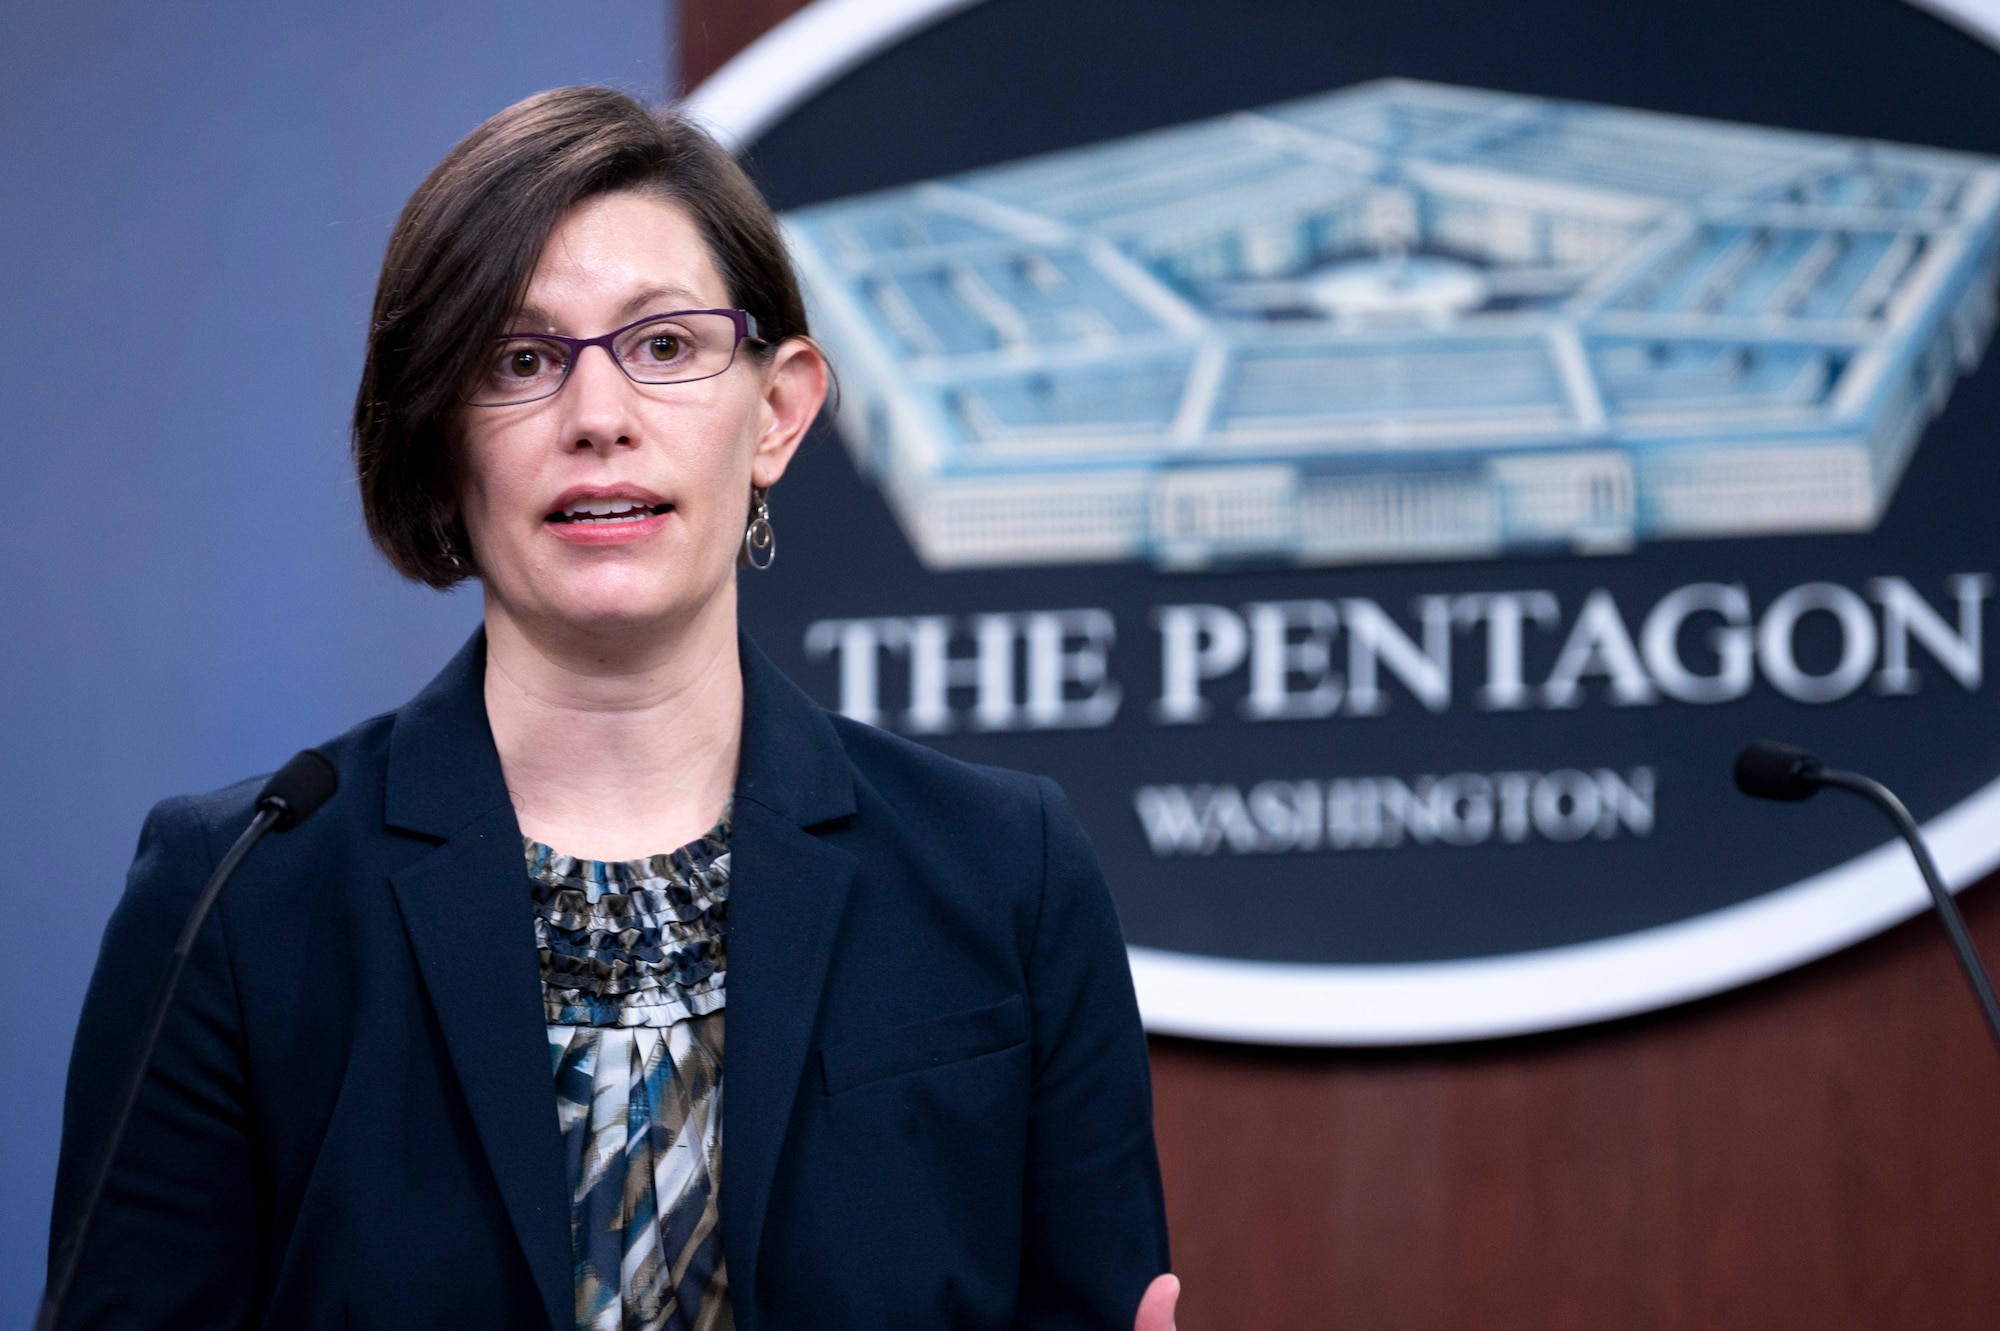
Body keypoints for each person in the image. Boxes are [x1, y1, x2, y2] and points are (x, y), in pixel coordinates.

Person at [47, 86, 1178, 1330]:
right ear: (439, 440)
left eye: (664, 346)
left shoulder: (1001, 870)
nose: (599, 418)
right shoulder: (241, 893)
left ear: (779, 410)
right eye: (519, 361)